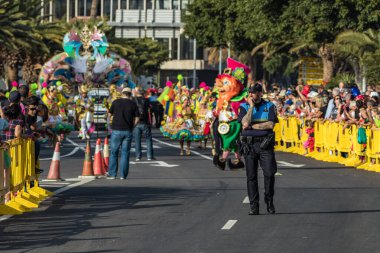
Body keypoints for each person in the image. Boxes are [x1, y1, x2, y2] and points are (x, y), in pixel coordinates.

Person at [238, 83, 278, 215]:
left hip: (265, 144)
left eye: (254, 92)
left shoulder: (269, 106)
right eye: (250, 92)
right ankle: (254, 205)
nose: (251, 95)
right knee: (251, 176)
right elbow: (244, 123)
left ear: (260, 93)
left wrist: (252, 127)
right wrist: (251, 107)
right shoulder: (244, 106)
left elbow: (270, 124)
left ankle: (269, 199)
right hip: (249, 145)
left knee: (269, 173)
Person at [107, 87, 140, 180]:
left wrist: (110, 124)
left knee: (114, 153)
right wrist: (132, 126)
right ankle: (123, 175)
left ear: (122, 93)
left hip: (116, 130)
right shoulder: (133, 104)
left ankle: (112, 174)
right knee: (125, 153)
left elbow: (109, 114)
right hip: (127, 130)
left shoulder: (115, 102)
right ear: (130, 95)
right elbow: (137, 118)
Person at [133, 88, 154, 161]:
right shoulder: (146, 100)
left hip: (136, 121)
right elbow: (151, 109)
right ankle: (149, 156)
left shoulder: (133, 100)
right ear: (143, 93)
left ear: (137, 92)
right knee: (148, 139)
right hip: (145, 122)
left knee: (137, 140)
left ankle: (138, 156)